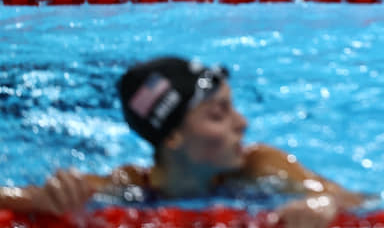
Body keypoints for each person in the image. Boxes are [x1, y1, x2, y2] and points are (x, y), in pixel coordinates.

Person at [0, 57, 365, 228]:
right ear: (173, 136)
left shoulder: (261, 166)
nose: (243, 123)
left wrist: (323, 201)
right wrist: (46, 198)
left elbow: (357, 201)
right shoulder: (127, 188)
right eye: (218, 114)